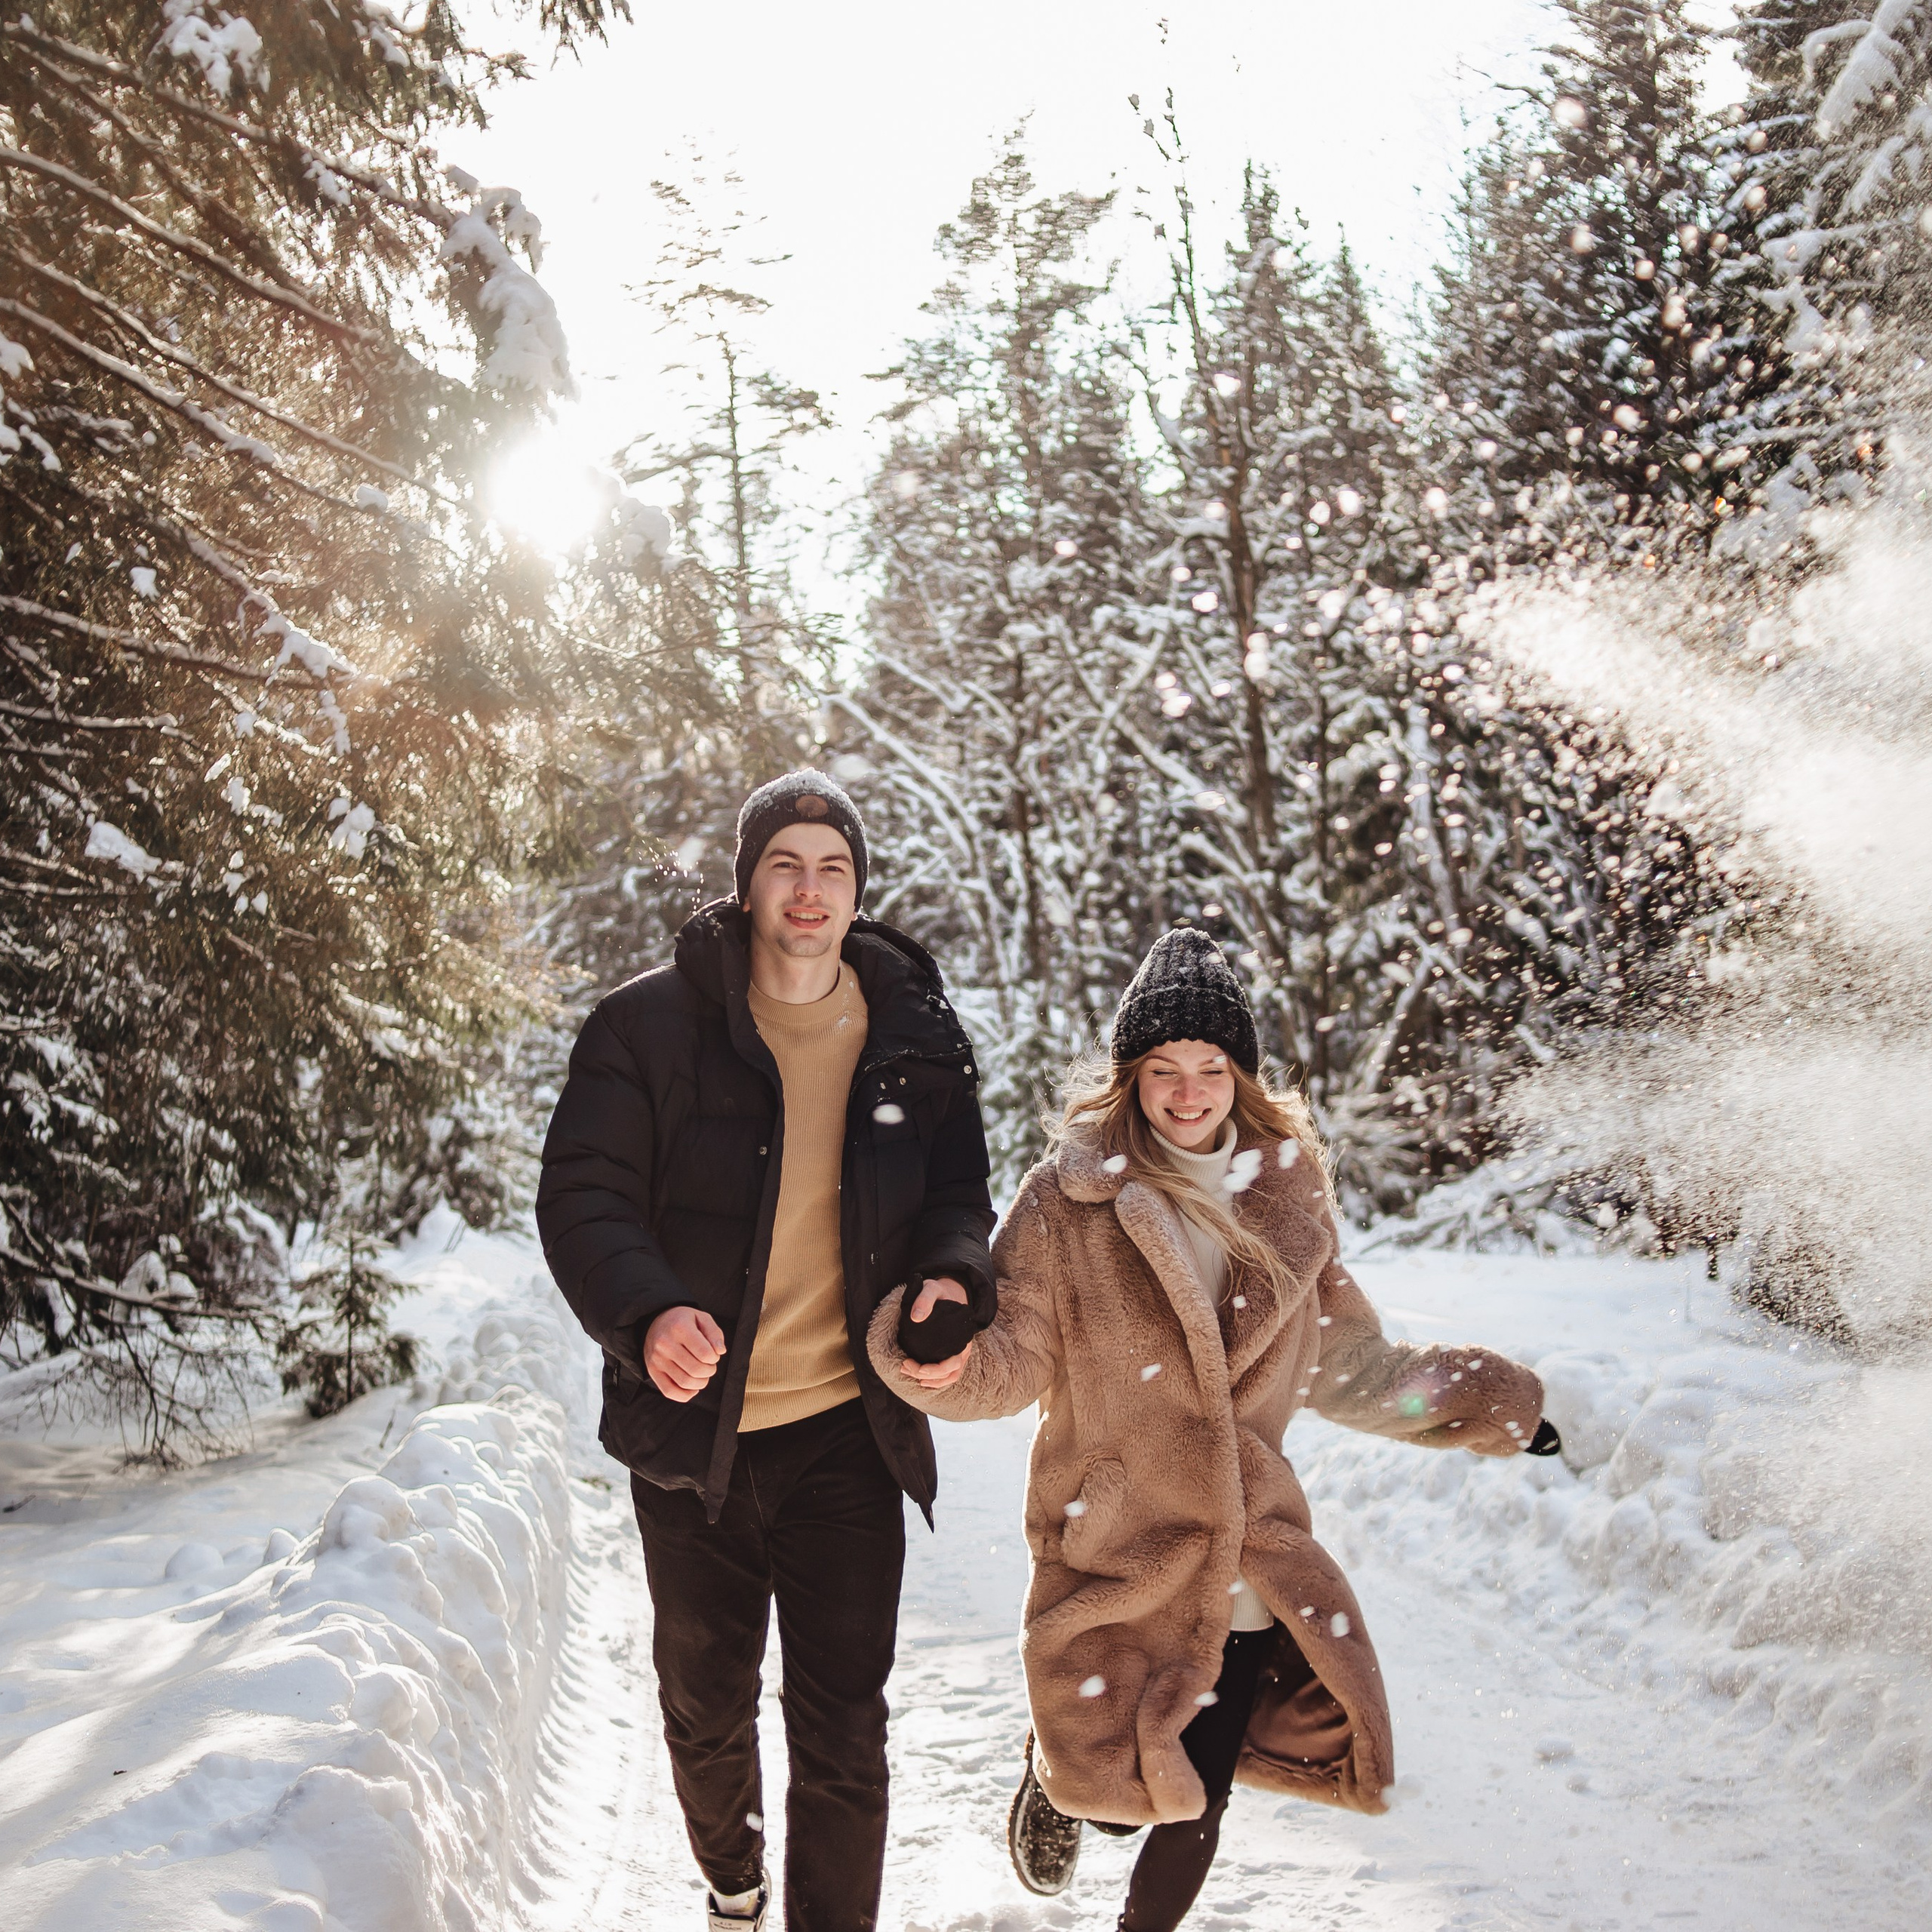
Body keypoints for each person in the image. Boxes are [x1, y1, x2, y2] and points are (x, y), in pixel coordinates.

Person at [869, 928, 1558, 1932]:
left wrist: (1498, 1402)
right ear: (1131, 1078)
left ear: (1240, 1077)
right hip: (1119, 1543)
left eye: (1210, 1068)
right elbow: (1016, 1352)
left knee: (1199, 1791)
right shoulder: (1069, 1201)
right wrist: (942, 1360)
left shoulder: (1287, 1203)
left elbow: (1354, 1368)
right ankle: (1053, 1780)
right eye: (1164, 1069)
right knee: (1111, 1793)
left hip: (1241, 1543)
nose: (1188, 1093)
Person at [536, 770, 996, 1932]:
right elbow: (585, 1195)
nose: (809, 889)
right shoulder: (648, 1028)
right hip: (696, 1438)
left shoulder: (913, 1032)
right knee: (706, 1708)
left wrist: (954, 1277)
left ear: (857, 892)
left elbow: (959, 1195)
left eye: (833, 868)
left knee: (846, 1729)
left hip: (849, 1435)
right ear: (748, 885)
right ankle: (734, 1885)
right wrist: (648, 1314)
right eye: (785, 864)